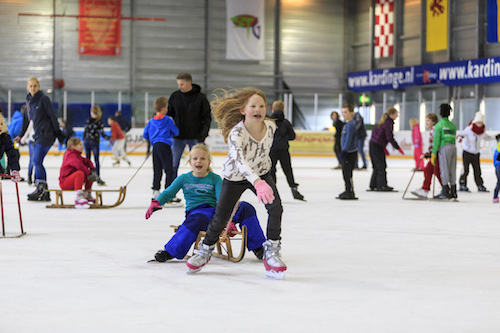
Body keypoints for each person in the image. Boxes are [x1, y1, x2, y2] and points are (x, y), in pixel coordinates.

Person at [185, 88, 286, 279]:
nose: (258, 109)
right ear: (242, 110)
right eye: (253, 106)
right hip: (236, 176)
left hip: (262, 174)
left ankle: (272, 250)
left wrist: (265, 177)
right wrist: (257, 182)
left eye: (262, 106)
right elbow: (241, 162)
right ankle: (205, 249)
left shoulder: (271, 127)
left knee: (276, 208)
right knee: (221, 216)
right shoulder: (236, 133)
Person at [145, 144, 266, 262]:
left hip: (216, 212)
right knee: (197, 218)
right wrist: (157, 202)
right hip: (197, 213)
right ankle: (171, 251)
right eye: (195, 158)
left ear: (209, 162)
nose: (199, 161)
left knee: (246, 207)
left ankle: (258, 247)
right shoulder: (183, 178)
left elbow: (222, 200)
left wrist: (229, 219)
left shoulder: (215, 178)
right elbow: (168, 193)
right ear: (190, 162)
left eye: (203, 158)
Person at [14, 76, 64, 201]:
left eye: (35, 86)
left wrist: (58, 132)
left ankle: (42, 190)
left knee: (36, 160)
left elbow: (53, 116)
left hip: (47, 134)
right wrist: (20, 135)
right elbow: (26, 121)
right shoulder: (29, 101)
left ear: (39, 86)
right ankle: (41, 190)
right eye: (30, 86)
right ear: (27, 87)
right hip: (38, 135)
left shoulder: (43, 99)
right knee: (37, 161)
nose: (33, 88)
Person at [167, 72, 211, 180]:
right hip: (177, 137)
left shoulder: (201, 97)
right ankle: (171, 192)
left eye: (181, 84)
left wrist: (203, 134)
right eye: (178, 84)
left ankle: (201, 189)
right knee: (173, 165)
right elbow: (168, 115)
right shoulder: (175, 96)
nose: (179, 87)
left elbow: (207, 117)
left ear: (189, 83)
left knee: (199, 165)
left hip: (196, 138)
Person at [143, 96, 179, 199]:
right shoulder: (168, 120)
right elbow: (176, 132)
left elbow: (145, 135)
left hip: (155, 147)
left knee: (157, 169)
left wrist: (153, 137)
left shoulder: (151, 121)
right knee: (169, 170)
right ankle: (169, 193)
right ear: (163, 108)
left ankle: (156, 191)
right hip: (165, 146)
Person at [269, 100, 304, 201]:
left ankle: (273, 191)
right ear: (283, 109)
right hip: (284, 150)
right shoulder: (286, 122)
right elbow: (292, 136)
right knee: (288, 170)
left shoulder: (269, 122)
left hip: (272, 150)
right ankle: (294, 189)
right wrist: (284, 139)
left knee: (271, 170)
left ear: (273, 109)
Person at [457, 111, 495, 192]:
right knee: (465, 169)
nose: (479, 124)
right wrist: (460, 138)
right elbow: (460, 134)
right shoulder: (469, 129)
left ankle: (480, 185)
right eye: (478, 122)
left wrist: (495, 137)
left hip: (476, 153)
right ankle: (462, 184)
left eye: (481, 123)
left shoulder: (482, 131)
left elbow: (487, 137)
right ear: (475, 122)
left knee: (477, 170)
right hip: (467, 152)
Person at [369, 107, 404, 191]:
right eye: (396, 114)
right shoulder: (389, 123)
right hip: (377, 146)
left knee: (377, 166)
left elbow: (376, 134)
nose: (397, 116)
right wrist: (397, 147)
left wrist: (383, 147)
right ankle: (382, 185)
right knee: (381, 166)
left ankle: (374, 184)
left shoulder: (383, 122)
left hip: (373, 144)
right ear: (392, 114)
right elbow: (389, 137)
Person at [59, 137, 98, 209]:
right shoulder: (70, 155)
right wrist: (89, 172)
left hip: (72, 181)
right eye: (80, 144)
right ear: (74, 147)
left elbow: (86, 161)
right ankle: (78, 197)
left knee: (88, 175)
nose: (82, 146)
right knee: (80, 173)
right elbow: (78, 165)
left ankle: (87, 194)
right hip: (65, 182)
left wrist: (92, 170)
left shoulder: (77, 155)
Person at [411, 113, 442, 199]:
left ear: (434, 121)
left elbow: (436, 143)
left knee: (437, 172)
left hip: (436, 155)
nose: (426, 123)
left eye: (428, 121)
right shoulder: (432, 130)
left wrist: (432, 152)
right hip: (433, 154)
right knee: (428, 170)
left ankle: (445, 188)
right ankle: (425, 189)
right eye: (426, 121)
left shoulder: (435, 130)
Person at [432, 103, 457, 199]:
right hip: (453, 147)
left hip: (444, 148)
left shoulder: (439, 125)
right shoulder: (452, 125)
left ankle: (445, 191)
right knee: (452, 169)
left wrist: (434, 153)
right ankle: (454, 191)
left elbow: (436, 140)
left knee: (445, 169)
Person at [83, 105, 109, 185]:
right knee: (96, 160)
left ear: (91, 112)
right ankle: (97, 177)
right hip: (94, 142)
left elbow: (85, 131)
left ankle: (86, 177)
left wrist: (83, 141)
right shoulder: (99, 121)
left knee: (87, 160)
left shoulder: (88, 120)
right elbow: (102, 133)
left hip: (87, 141)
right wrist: (109, 138)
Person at [337, 104, 358, 200]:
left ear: (351, 113)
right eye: (342, 112)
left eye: (345, 112)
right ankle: (348, 190)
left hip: (349, 152)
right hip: (347, 151)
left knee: (347, 172)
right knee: (345, 172)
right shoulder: (347, 124)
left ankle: (350, 191)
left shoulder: (351, 125)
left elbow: (349, 139)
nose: (343, 114)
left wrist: (344, 150)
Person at [0, 114, 21, 183]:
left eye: (1, 124)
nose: (0, 127)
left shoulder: (5, 138)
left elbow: (12, 154)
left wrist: (15, 169)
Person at [20, 119, 35, 185]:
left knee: (37, 160)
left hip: (39, 141)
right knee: (32, 159)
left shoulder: (44, 119)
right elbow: (28, 129)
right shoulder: (33, 119)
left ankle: (36, 178)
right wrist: (24, 137)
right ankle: (29, 176)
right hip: (32, 141)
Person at [493, 134, 500, 203]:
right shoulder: (498, 149)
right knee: (499, 182)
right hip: (499, 167)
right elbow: (495, 160)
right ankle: (495, 196)